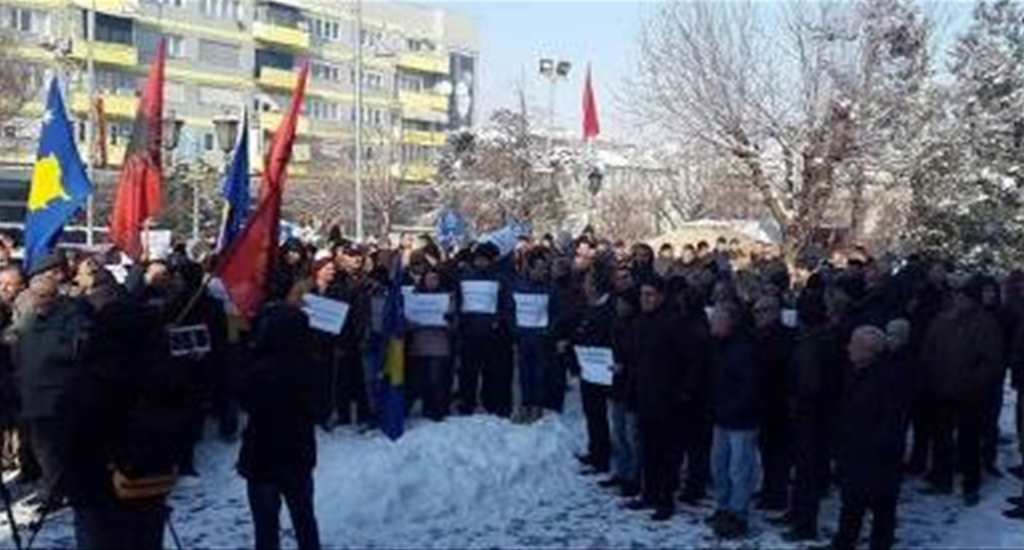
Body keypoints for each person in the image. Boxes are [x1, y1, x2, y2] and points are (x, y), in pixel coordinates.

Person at [238, 290, 321, 550]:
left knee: (265, 527)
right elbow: (320, 407)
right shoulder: (311, 365)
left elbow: (245, 400)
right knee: (304, 519)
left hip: (262, 455)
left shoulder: (258, 368)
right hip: (298, 453)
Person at [14, 254, 92, 508]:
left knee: (52, 447)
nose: (41, 301)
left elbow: (79, 346)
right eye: (37, 296)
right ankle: (49, 486)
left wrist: (51, 349)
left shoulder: (70, 314)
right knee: (39, 445)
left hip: (57, 392)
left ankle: (54, 492)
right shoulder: (26, 316)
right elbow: (16, 340)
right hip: (30, 389)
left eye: (47, 296)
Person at [922, 275, 1004, 506]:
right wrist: (932, 378)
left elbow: (992, 362)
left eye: (963, 296)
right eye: (956, 295)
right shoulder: (942, 320)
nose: (958, 300)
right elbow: (929, 351)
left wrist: (972, 383)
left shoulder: (986, 323)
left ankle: (971, 484)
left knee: (969, 441)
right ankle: (941, 478)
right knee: (941, 438)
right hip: (941, 390)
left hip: (970, 394)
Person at [829, 326, 907, 550]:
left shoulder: (888, 379)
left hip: (877, 458)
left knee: (881, 508)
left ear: (869, 351)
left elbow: (892, 422)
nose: (848, 348)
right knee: (851, 504)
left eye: (854, 345)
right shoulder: (855, 372)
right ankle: (844, 543)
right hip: (855, 452)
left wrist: (874, 449)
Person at [624, 276, 695, 522]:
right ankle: (649, 493)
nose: (645, 299)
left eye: (650, 294)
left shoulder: (674, 323)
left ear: (661, 296)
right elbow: (634, 360)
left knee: (667, 453)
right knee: (647, 449)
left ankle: (665, 499)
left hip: (669, 399)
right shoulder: (639, 322)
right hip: (645, 396)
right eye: (643, 295)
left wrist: (683, 392)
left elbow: (689, 361)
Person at [707, 301, 760, 539]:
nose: (712, 324)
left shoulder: (745, 348)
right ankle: (723, 506)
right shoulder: (718, 346)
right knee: (719, 465)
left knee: (739, 468)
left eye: (717, 320)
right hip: (721, 416)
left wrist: (733, 408)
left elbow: (750, 387)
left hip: (741, 419)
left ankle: (738, 513)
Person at [456, 243, 513, 417]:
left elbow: (506, 303)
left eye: (484, 259)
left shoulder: (500, 278)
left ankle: (491, 401)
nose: (481, 262)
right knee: (468, 370)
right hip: (469, 330)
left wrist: (499, 320)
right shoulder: (464, 277)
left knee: (491, 369)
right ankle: (467, 401)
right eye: (478, 259)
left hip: (492, 331)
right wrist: (461, 320)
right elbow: (458, 301)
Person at [752, 295, 795, 513]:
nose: (758, 315)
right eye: (757, 311)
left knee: (778, 453)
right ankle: (769, 489)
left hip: (779, 403)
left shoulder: (785, 338)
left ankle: (777, 494)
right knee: (767, 451)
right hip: (763, 401)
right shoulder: (758, 335)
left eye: (763, 311)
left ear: (776, 311)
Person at [574, 260, 616, 475]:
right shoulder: (585, 305)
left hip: (606, 368)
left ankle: (606, 455)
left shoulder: (611, 308)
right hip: (588, 367)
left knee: (609, 414)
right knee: (593, 412)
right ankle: (596, 451)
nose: (584, 285)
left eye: (588, 281)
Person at [511, 249, 558, 423]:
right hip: (522, 337)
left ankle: (537, 406)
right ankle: (525, 405)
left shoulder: (550, 288)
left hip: (541, 337)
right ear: (529, 269)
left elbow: (556, 313)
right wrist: (514, 330)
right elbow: (510, 310)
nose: (542, 272)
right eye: (538, 268)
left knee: (539, 373)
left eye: (544, 269)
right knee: (523, 373)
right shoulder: (517, 285)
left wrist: (549, 330)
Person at [406, 266, 455, 421]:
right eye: (428, 278)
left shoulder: (447, 297)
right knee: (421, 378)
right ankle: (425, 408)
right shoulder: (414, 296)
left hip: (439, 343)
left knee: (437, 379)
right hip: (418, 343)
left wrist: (449, 321)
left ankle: (437, 410)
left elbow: (455, 323)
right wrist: (410, 323)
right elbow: (407, 319)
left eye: (435, 278)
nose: (431, 281)